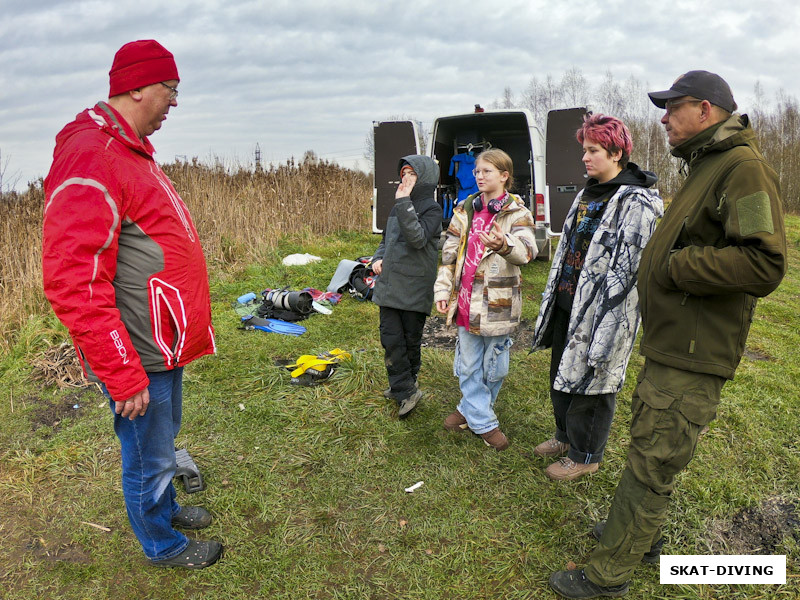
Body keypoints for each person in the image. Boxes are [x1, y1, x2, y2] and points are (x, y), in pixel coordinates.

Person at [549, 70, 787, 598]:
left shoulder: (742, 169)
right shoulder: (708, 164)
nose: (663, 117)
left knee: (651, 459)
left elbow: (764, 262)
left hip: (695, 352)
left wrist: (676, 267)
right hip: (676, 343)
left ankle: (607, 574)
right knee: (650, 444)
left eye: (671, 107)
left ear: (705, 110)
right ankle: (637, 534)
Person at [42, 40, 222, 569]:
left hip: (156, 340)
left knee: (162, 441)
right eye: (170, 90)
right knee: (147, 453)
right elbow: (73, 279)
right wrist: (120, 370)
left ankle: (163, 512)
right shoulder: (92, 155)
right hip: (135, 349)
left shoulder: (127, 150)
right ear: (138, 86)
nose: (173, 102)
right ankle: (163, 546)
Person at [531, 114, 663, 482]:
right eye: (584, 150)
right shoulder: (587, 192)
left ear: (617, 151)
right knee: (562, 371)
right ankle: (563, 436)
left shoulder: (637, 201)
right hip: (568, 299)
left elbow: (631, 266)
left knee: (594, 380)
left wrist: (609, 318)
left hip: (603, 310)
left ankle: (586, 454)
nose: (585, 158)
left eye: (593, 150)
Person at [434, 148, 537, 450]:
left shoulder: (518, 213)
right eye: (477, 171)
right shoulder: (464, 210)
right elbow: (449, 254)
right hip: (465, 300)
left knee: (495, 366)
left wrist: (505, 244)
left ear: (504, 176)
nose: (479, 176)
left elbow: (526, 251)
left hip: (497, 305)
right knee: (468, 365)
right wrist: (443, 290)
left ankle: (468, 410)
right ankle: (484, 422)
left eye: (486, 171)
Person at [372, 155, 442, 418]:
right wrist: (378, 258)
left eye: (411, 174)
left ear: (424, 178)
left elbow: (417, 238)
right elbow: (385, 241)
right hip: (390, 283)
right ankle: (403, 387)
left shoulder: (431, 209)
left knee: (409, 339)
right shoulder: (397, 206)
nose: (405, 179)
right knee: (390, 337)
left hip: (414, 285)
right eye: (403, 174)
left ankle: (407, 384)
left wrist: (403, 202)